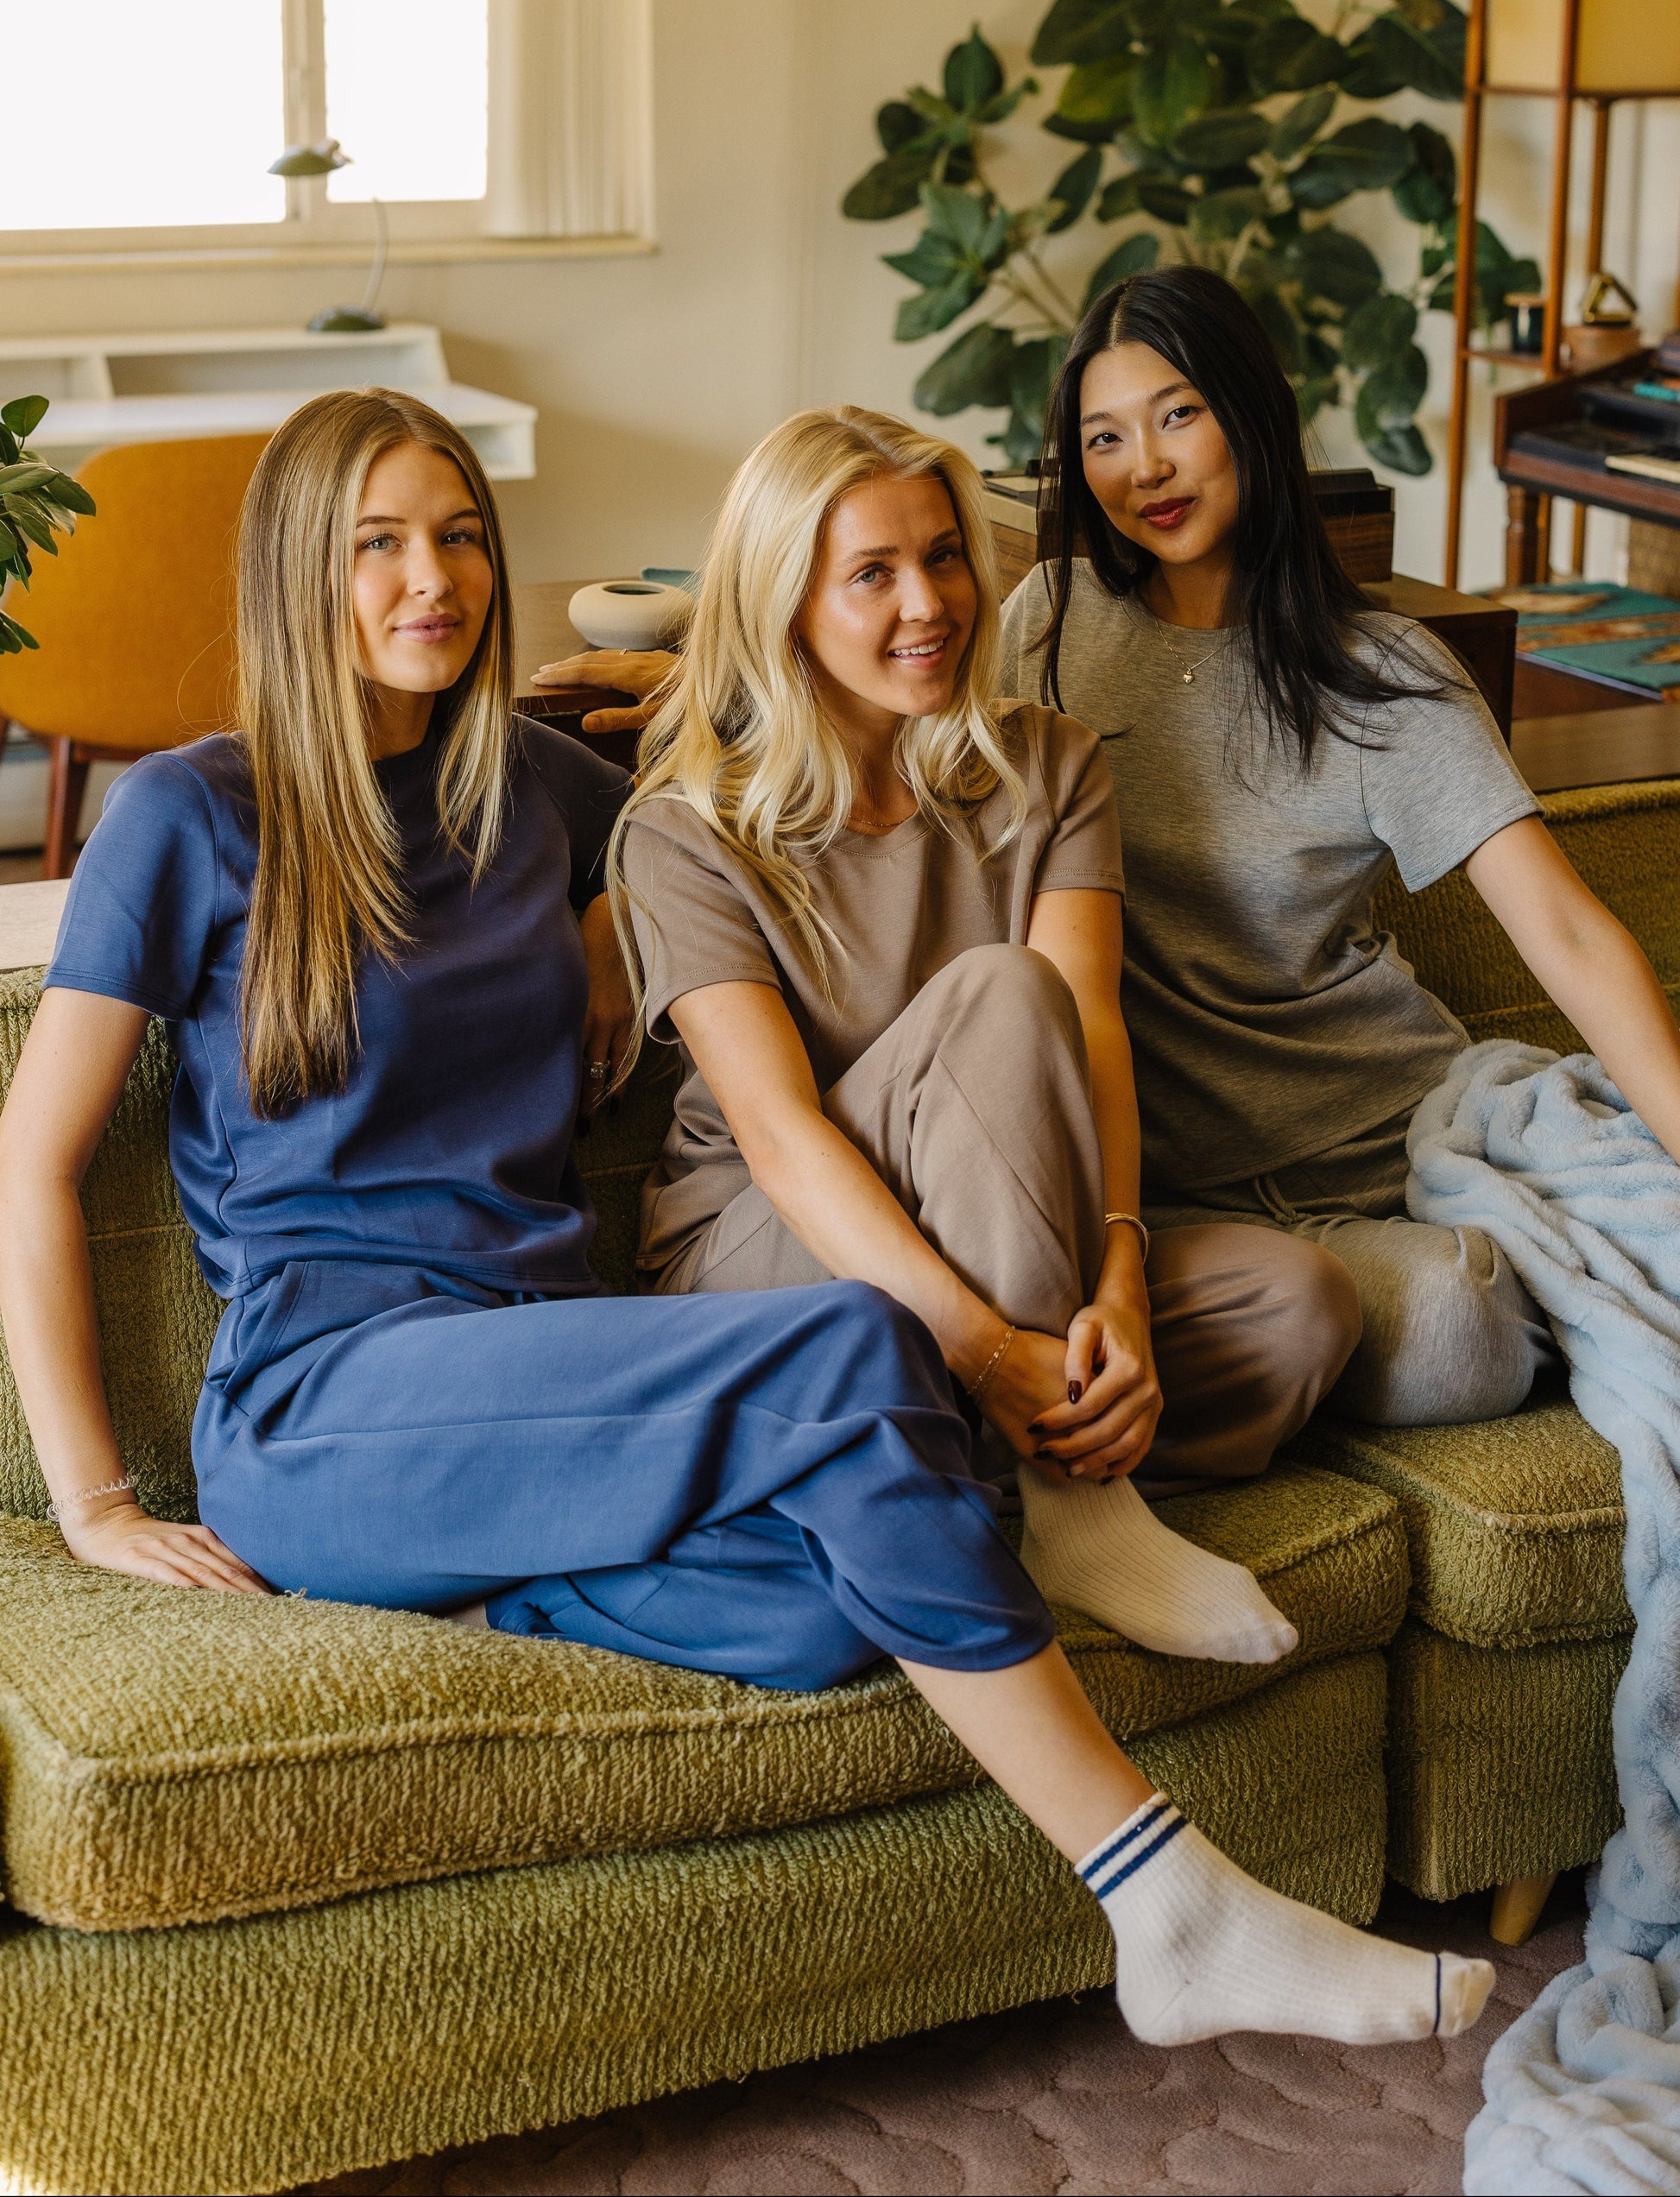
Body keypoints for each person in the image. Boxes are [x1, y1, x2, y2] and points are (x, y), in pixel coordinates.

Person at [0, 383, 1493, 2054]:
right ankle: (1169, 1901)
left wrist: (600, 907)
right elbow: (30, 1165)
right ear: (297, 576)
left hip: (554, 1365)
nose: (435, 578)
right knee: (859, 1358)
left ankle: (476, 1582)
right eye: (379, 547)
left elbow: (739, 715)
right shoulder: (187, 816)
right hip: (327, 1393)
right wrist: (93, 1501)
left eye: (462, 537)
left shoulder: (550, 803)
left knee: (839, 1595)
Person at [606, 403, 1359, 1665]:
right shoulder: (682, 834)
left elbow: (1099, 1045)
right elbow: (781, 1140)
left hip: (1012, 1234)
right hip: (770, 1255)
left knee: (1302, 1305)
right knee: (1005, 992)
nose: (929, 602)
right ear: (785, 603)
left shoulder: (1050, 768)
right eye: (872, 573)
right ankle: (1078, 1506)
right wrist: (988, 1347)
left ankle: (939, 1478)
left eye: (944, 554)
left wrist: (1116, 1282)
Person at [995, 262, 1680, 1424]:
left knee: (1459, 1319)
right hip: (1167, 1200)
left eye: (1177, 416)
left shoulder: (1381, 673)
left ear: (1250, 415)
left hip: (1390, 1152)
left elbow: (1562, 929)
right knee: (1441, 1323)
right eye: (1102, 438)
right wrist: (681, 700)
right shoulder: (1047, 629)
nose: (1143, 468)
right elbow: (859, 703)